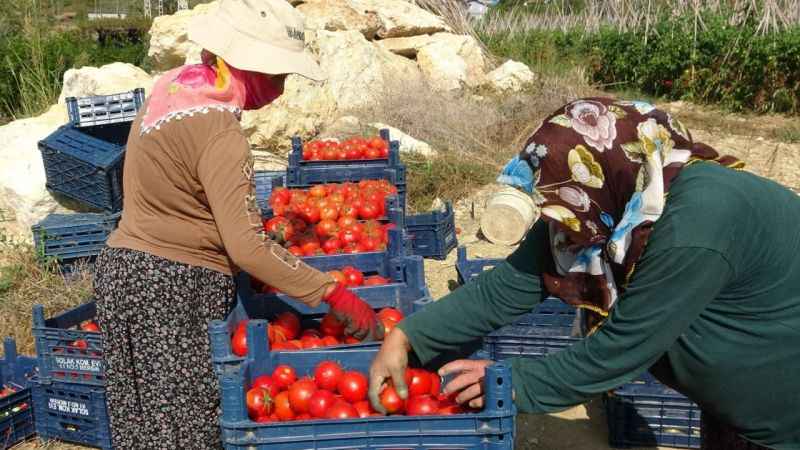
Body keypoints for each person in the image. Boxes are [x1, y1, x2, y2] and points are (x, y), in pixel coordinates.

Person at [369, 98, 800, 450]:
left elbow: (622, 350)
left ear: (603, 171)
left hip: (778, 399)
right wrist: (406, 336)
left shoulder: (696, 224)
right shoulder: (607, 201)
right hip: (728, 397)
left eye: (565, 204)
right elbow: (508, 285)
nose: (560, 225)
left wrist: (511, 380)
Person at [93, 1, 382, 448]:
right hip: (174, 286)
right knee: (187, 430)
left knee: (140, 425)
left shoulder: (172, 89)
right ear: (252, 66)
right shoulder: (221, 134)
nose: (282, 87)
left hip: (122, 271)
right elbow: (246, 246)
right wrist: (332, 291)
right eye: (279, 73)